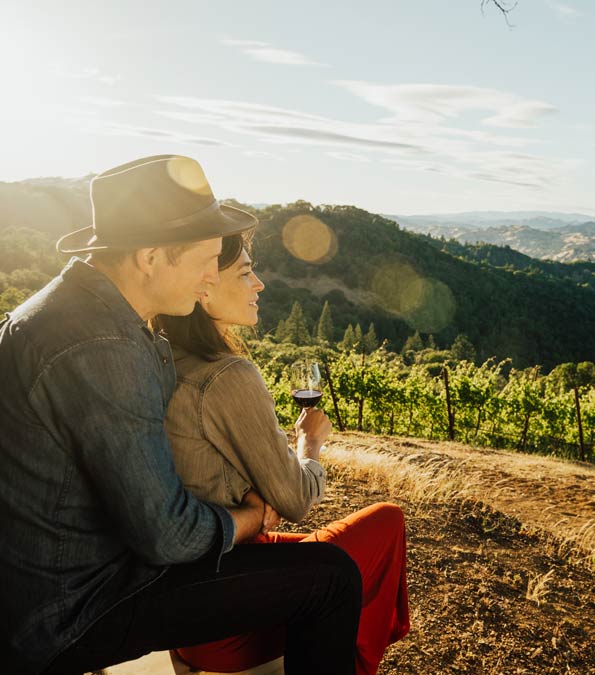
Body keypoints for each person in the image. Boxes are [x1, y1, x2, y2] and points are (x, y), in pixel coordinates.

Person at [0, 155, 362, 675]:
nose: (209, 277)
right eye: (207, 258)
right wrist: (252, 518)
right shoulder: (101, 348)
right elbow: (167, 536)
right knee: (331, 578)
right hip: (74, 609)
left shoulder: (71, 311)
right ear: (150, 256)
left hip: (52, 588)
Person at [153, 232, 410, 675]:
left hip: (187, 596)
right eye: (247, 272)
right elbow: (293, 501)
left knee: (352, 548)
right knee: (387, 522)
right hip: (227, 613)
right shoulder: (227, 375)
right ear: (205, 285)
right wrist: (309, 446)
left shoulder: (161, 356)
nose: (261, 285)